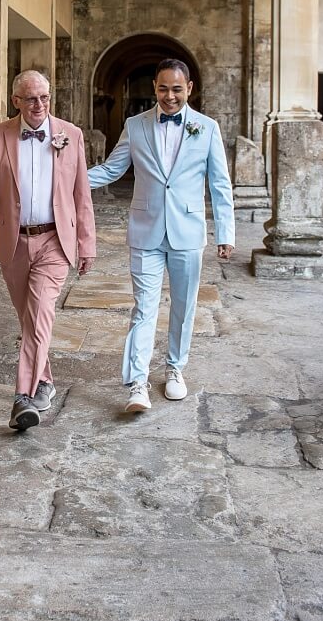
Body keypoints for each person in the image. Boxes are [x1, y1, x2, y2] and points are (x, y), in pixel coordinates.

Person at [86, 58, 234, 412]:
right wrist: (66, 181)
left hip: (188, 231)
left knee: (184, 307)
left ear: (189, 89)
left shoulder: (207, 127)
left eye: (177, 89)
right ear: (154, 87)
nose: (170, 96)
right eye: (164, 88)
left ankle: (174, 369)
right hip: (146, 230)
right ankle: (137, 383)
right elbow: (112, 168)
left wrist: (225, 233)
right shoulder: (135, 125)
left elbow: (219, 183)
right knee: (143, 309)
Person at [0, 70, 96, 431]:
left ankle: (23, 396)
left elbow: (81, 194)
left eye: (44, 97)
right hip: (14, 243)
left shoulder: (70, 135)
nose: (39, 105)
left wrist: (86, 243)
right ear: (16, 102)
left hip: (56, 241)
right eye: (30, 99)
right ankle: (46, 381)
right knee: (30, 321)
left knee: (40, 314)